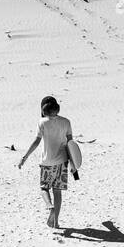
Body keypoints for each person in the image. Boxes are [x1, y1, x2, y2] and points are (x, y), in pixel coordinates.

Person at [17, 95, 74, 229]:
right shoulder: (66, 122)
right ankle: (56, 222)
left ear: (44, 110)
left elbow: (36, 142)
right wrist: (73, 164)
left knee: (44, 188)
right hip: (62, 162)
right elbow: (71, 143)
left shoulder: (42, 122)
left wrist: (24, 157)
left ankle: (50, 206)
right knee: (57, 192)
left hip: (47, 162)